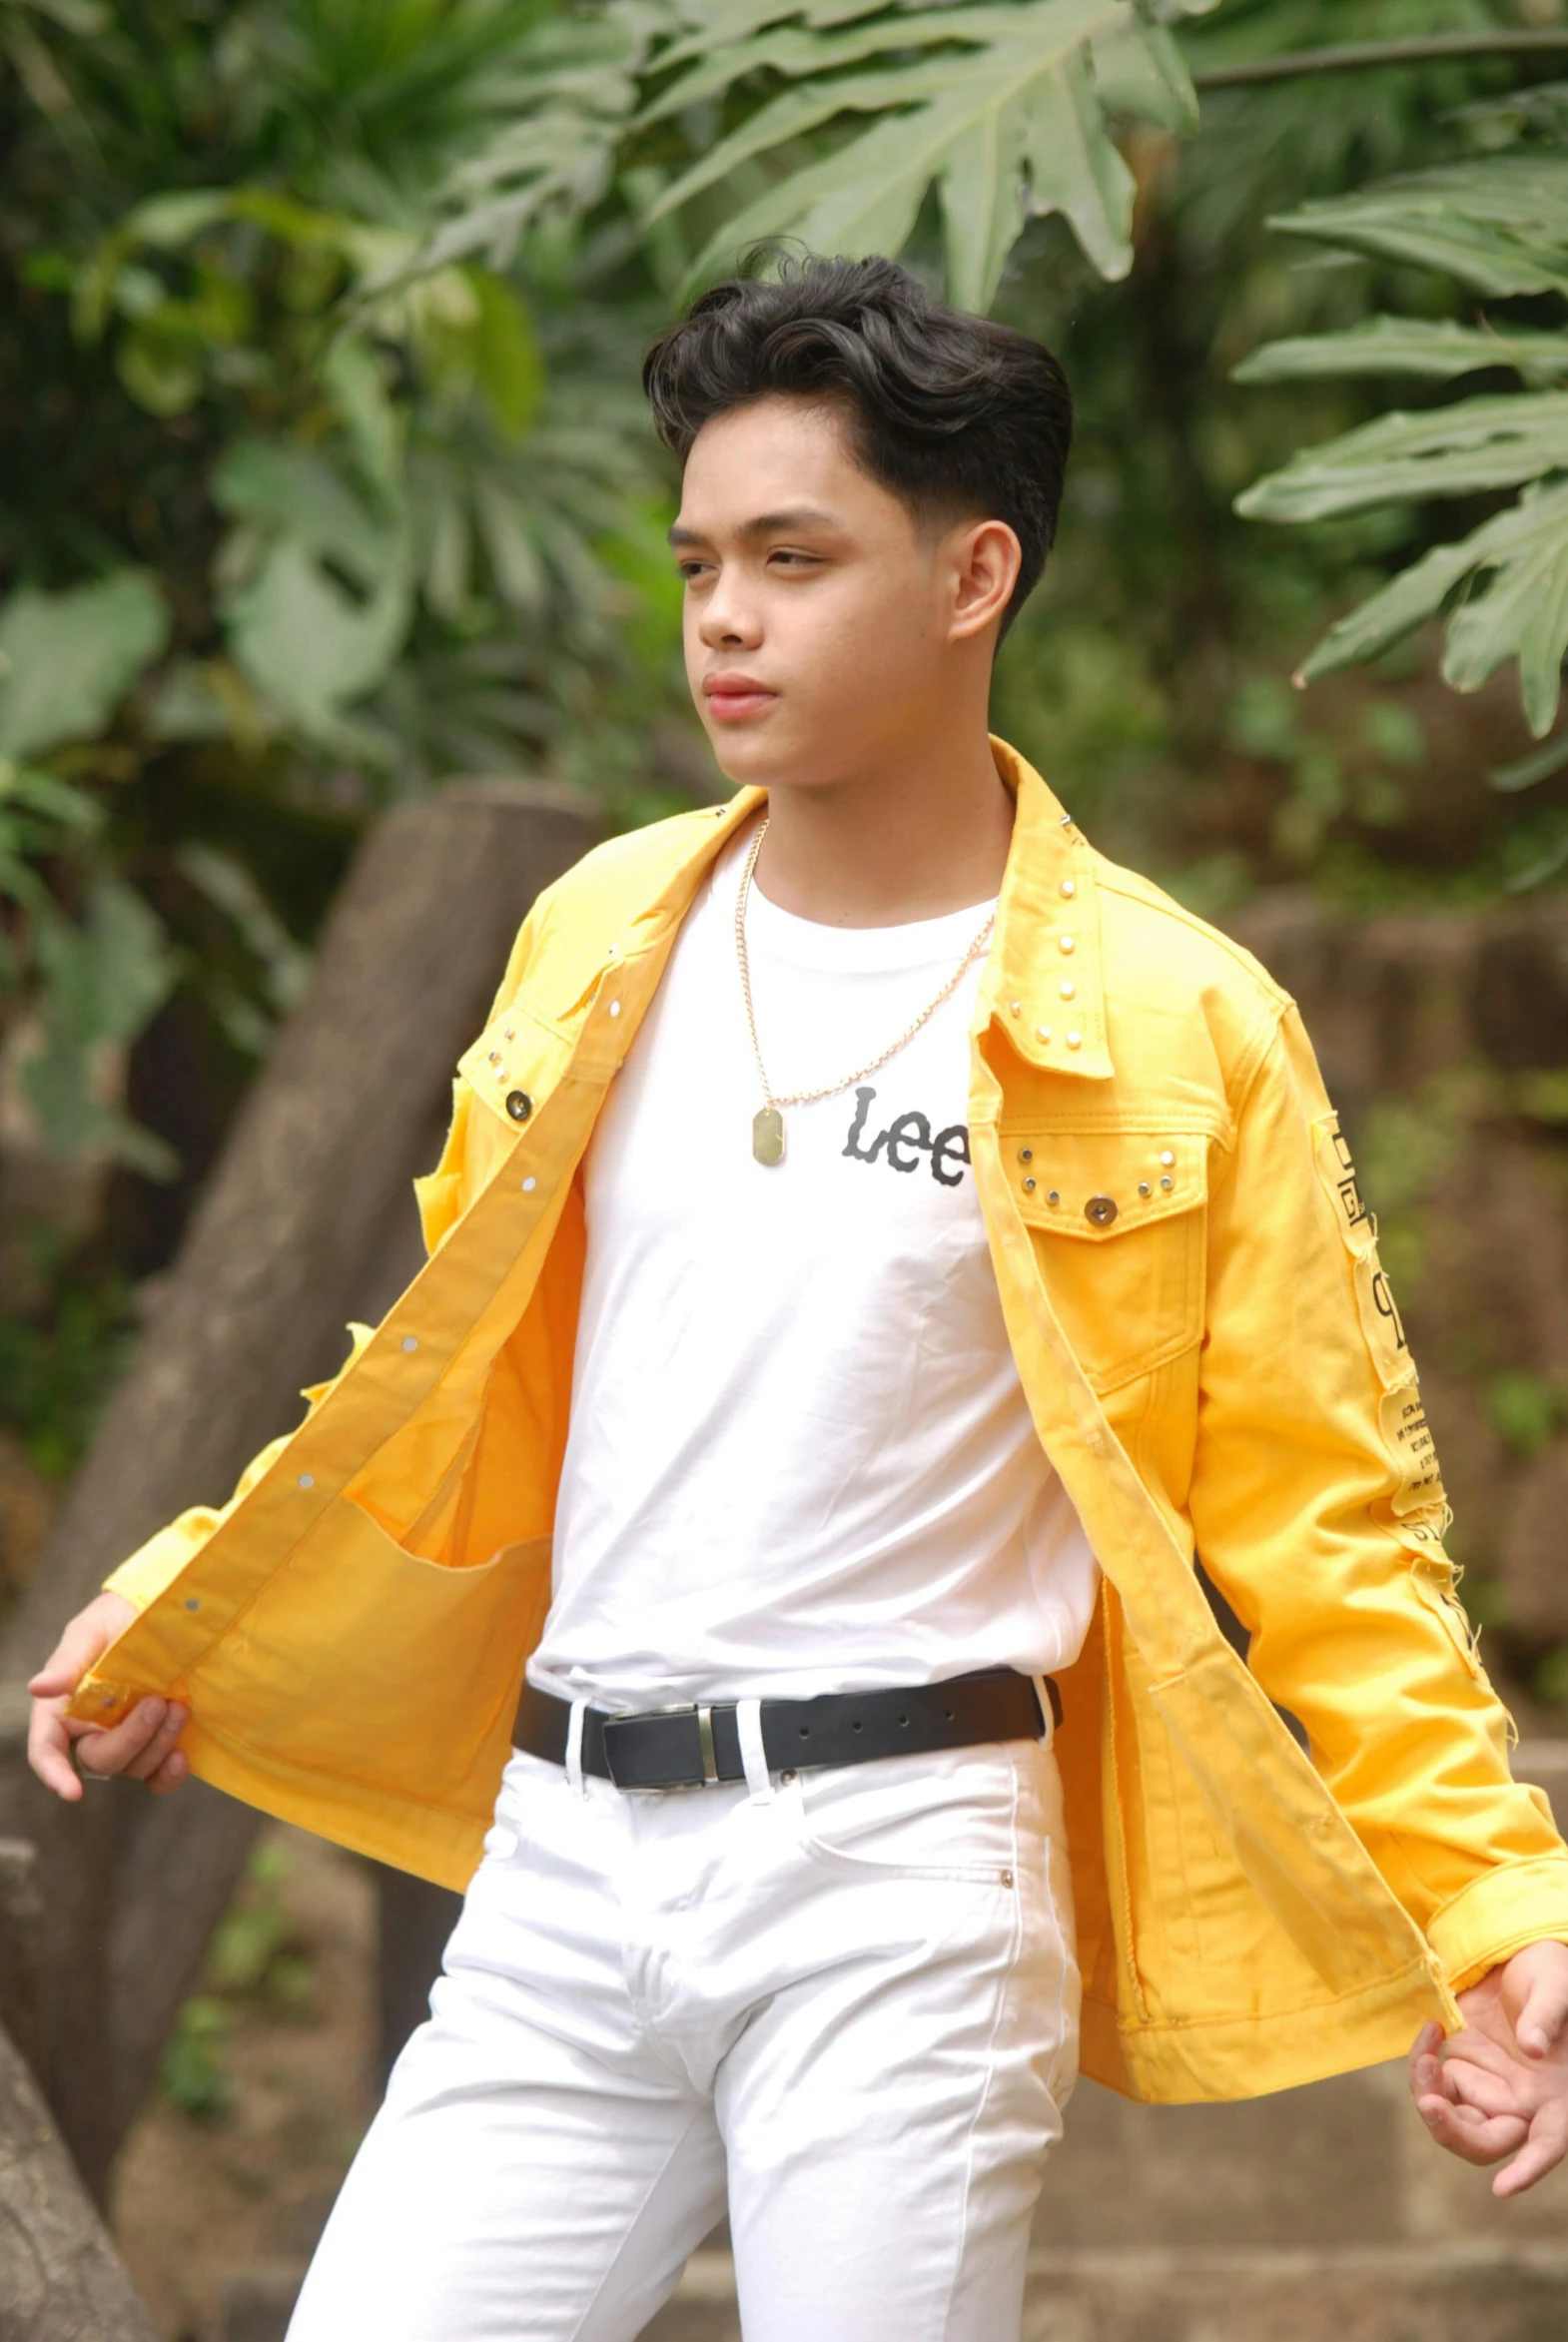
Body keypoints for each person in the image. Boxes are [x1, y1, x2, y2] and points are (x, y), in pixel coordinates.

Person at [26, 253, 1568, 2341]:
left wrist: (1490, 1888)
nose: (723, 616)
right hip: (565, 1860)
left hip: (902, 1878)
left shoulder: (1176, 1016)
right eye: (694, 564)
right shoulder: (598, 933)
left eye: (789, 554)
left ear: (970, 576)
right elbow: (441, 1373)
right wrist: (205, 1584)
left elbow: (1325, 1510)